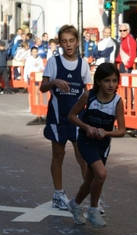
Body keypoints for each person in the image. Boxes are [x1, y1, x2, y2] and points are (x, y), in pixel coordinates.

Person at [39, 24, 92, 210]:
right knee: (58, 154)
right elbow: (42, 87)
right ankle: (58, 194)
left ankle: (93, 197)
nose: (68, 45)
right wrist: (54, 82)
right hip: (58, 117)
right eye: (64, 41)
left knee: (83, 157)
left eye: (71, 41)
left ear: (77, 42)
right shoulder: (53, 62)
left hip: (78, 118)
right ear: (59, 43)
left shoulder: (83, 64)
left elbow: (87, 91)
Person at [67, 63, 126, 227]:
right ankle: (93, 210)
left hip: (103, 144)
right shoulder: (88, 96)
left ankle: (75, 204)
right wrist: (87, 127)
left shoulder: (117, 101)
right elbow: (72, 116)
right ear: (99, 81)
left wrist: (106, 133)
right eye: (107, 81)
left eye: (114, 81)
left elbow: (122, 130)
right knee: (101, 174)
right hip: (86, 141)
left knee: (90, 180)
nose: (111, 85)